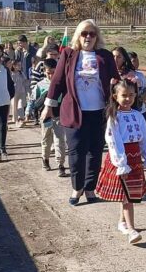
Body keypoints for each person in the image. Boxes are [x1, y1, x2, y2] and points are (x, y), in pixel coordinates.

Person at [46, 19, 119, 206]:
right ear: (78, 36)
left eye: (92, 34)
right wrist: (48, 106)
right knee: (77, 152)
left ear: (97, 37)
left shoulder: (104, 56)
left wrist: (124, 86)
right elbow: (57, 81)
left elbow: (116, 81)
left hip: (99, 112)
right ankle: (76, 187)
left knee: (94, 152)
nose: (88, 37)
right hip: (75, 112)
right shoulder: (69, 54)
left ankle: (89, 188)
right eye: (84, 33)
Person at [95, 78, 146, 244]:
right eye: (124, 95)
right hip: (122, 159)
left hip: (135, 158)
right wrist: (121, 163)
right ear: (115, 96)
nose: (128, 99)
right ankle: (131, 230)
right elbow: (113, 141)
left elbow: (145, 138)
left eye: (131, 95)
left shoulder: (137, 116)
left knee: (127, 195)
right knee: (128, 197)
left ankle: (122, 222)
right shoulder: (114, 117)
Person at [36, 58, 67, 176]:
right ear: (44, 71)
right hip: (46, 118)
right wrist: (29, 111)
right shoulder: (40, 85)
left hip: (59, 116)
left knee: (59, 140)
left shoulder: (62, 85)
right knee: (46, 140)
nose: (51, 75)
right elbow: (34, 100)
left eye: (54, 72)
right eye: (48, 73)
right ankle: (45, 159)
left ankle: (60, 164)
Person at [8, 57, 30, 124]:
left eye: (20, 65)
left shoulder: (21, 73)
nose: (20, 66)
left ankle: (21, 119)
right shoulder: (11, 74)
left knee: (20, 105)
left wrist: (28, 90)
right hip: (14, 92)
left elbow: (25, 82)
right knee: (14, 106)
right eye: (18, 65)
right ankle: (15, 119)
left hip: (22, 92)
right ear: (14, 66)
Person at [130, 51, 146, 124]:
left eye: (137, 60)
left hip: (141, 110)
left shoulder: (140, 75)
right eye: (134, 61)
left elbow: (145, 89)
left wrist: (141, 98)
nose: (137, 63)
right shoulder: (124, 75)